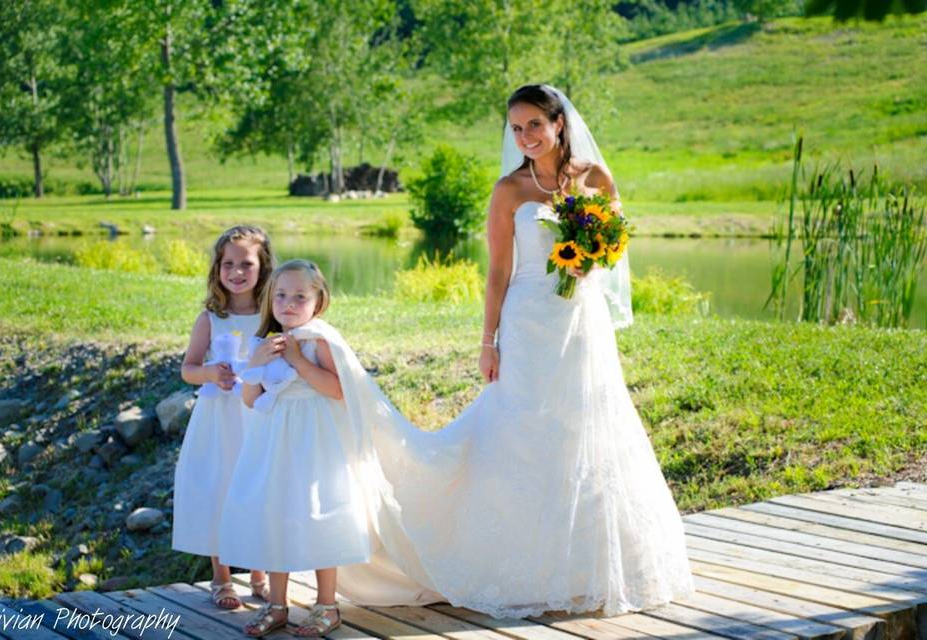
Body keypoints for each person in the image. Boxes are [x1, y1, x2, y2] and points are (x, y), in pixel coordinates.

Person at [327, 84, 695, 619]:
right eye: (516, 129)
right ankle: (509, 560)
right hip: (526, 322)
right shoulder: (509, 191)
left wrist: (589, 261)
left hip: (582, 322)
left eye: (534, 126)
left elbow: (615, 241)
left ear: (559, 124)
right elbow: (497, 271)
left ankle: (584, 568)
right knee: (521, 431)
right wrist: (488, 341)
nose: (525, 137)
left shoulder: (594, 178)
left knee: (585, 425)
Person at [217, 260, 371, 637]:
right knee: (276, 511)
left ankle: (327, 604)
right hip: (273, 438)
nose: (288, 303)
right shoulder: (264, 341)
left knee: (318, 511)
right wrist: (255, 362)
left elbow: (338, 390)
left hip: (313, 437)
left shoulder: (319, 340)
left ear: (318, 302)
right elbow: (251, 399)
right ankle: (277, 604)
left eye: (300, 296)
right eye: (281, 295)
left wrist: (299, 361)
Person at [171, 225, 275, 610]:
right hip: (220, 417)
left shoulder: (271, 316)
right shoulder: (211, 319)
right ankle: (222, 575)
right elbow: (188, 368)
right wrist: (211, 373)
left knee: (259, 487)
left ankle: (261, 573)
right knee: (220, 486)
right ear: (217, 268)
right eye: (227, 264)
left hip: (259, 415)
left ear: (262, 268)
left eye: (246, 264)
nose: (236, 272)